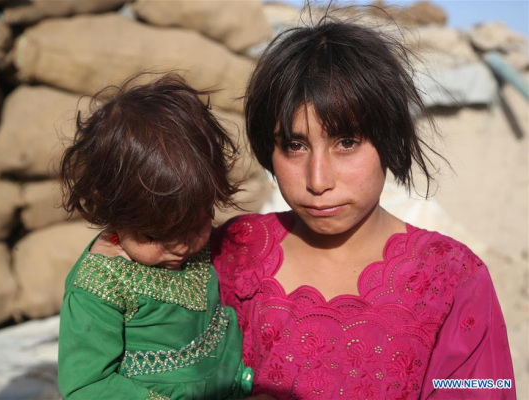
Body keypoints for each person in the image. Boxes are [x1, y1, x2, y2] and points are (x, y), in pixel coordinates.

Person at [211, 18, 516, 399]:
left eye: (347, 142)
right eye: (294, 145)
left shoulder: (452, 278)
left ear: (388, 138)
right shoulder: (233, 253)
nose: (318, 180)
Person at [58, 74, 254, 400]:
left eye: (195, 226)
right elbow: (86, 386)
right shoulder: (99, 287)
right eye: (154, 236)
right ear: (114, 214)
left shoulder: (208, 246)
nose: (180, 246)